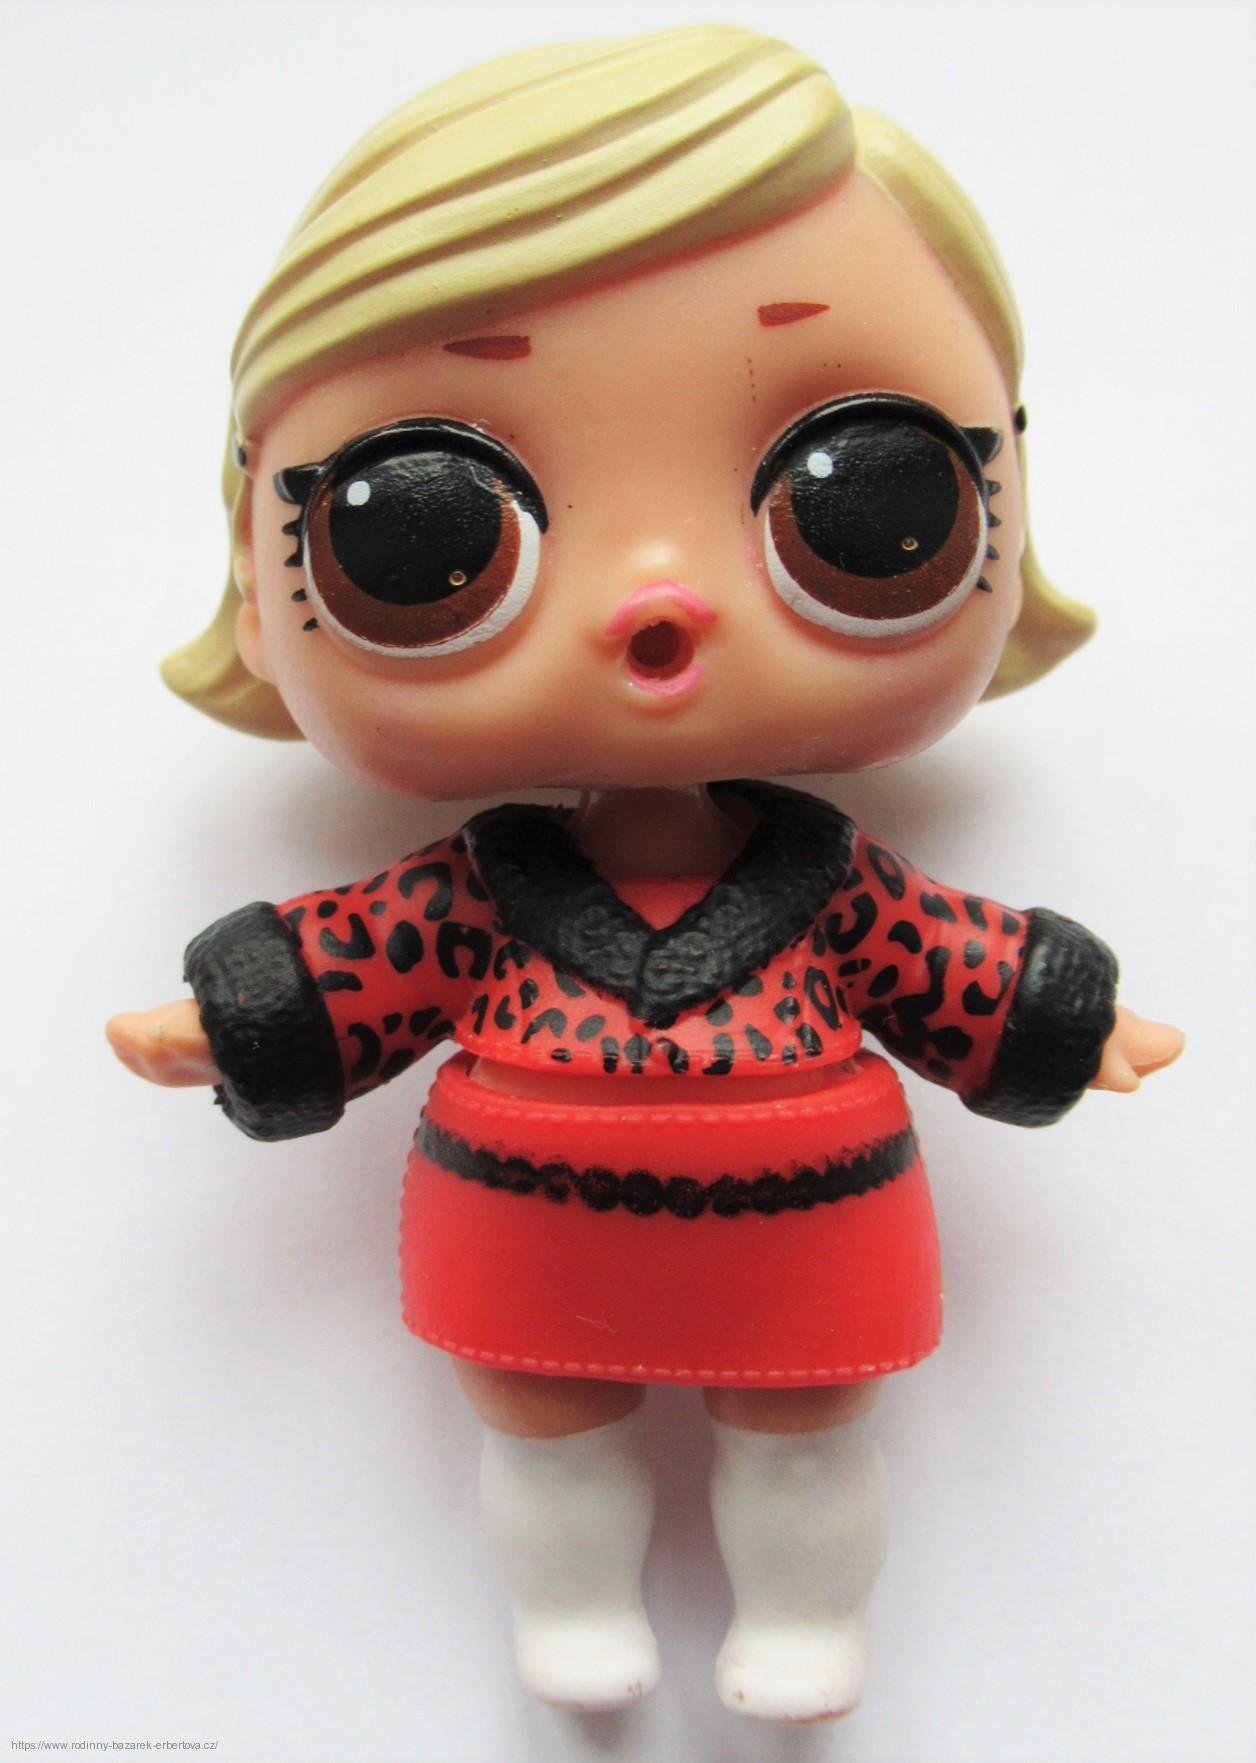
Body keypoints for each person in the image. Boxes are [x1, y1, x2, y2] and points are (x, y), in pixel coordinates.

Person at [106, 24, 1182, 1722]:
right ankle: (574, 1614)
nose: (658, 603)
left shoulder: (831, 886)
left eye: (869, 498)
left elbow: (943, 960)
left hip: (808, 1227)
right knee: (542, 1418)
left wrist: (1063, 1014)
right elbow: (364, 959)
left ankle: (805, 1621)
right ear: (258, 571)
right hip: (528, 1225)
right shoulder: (481, 894)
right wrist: (239, 1017)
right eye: (421, 525)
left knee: (809, 1417)